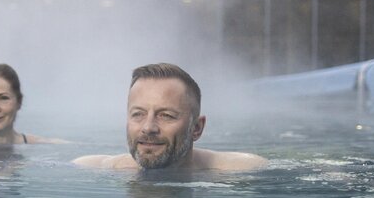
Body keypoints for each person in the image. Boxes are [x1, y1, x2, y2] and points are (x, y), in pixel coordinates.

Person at [74, 63, 266, 171]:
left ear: (197, 128)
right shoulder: (90, 167)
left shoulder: (243, 170)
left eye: (166, 115)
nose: (148, 127)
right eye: (138, 114)